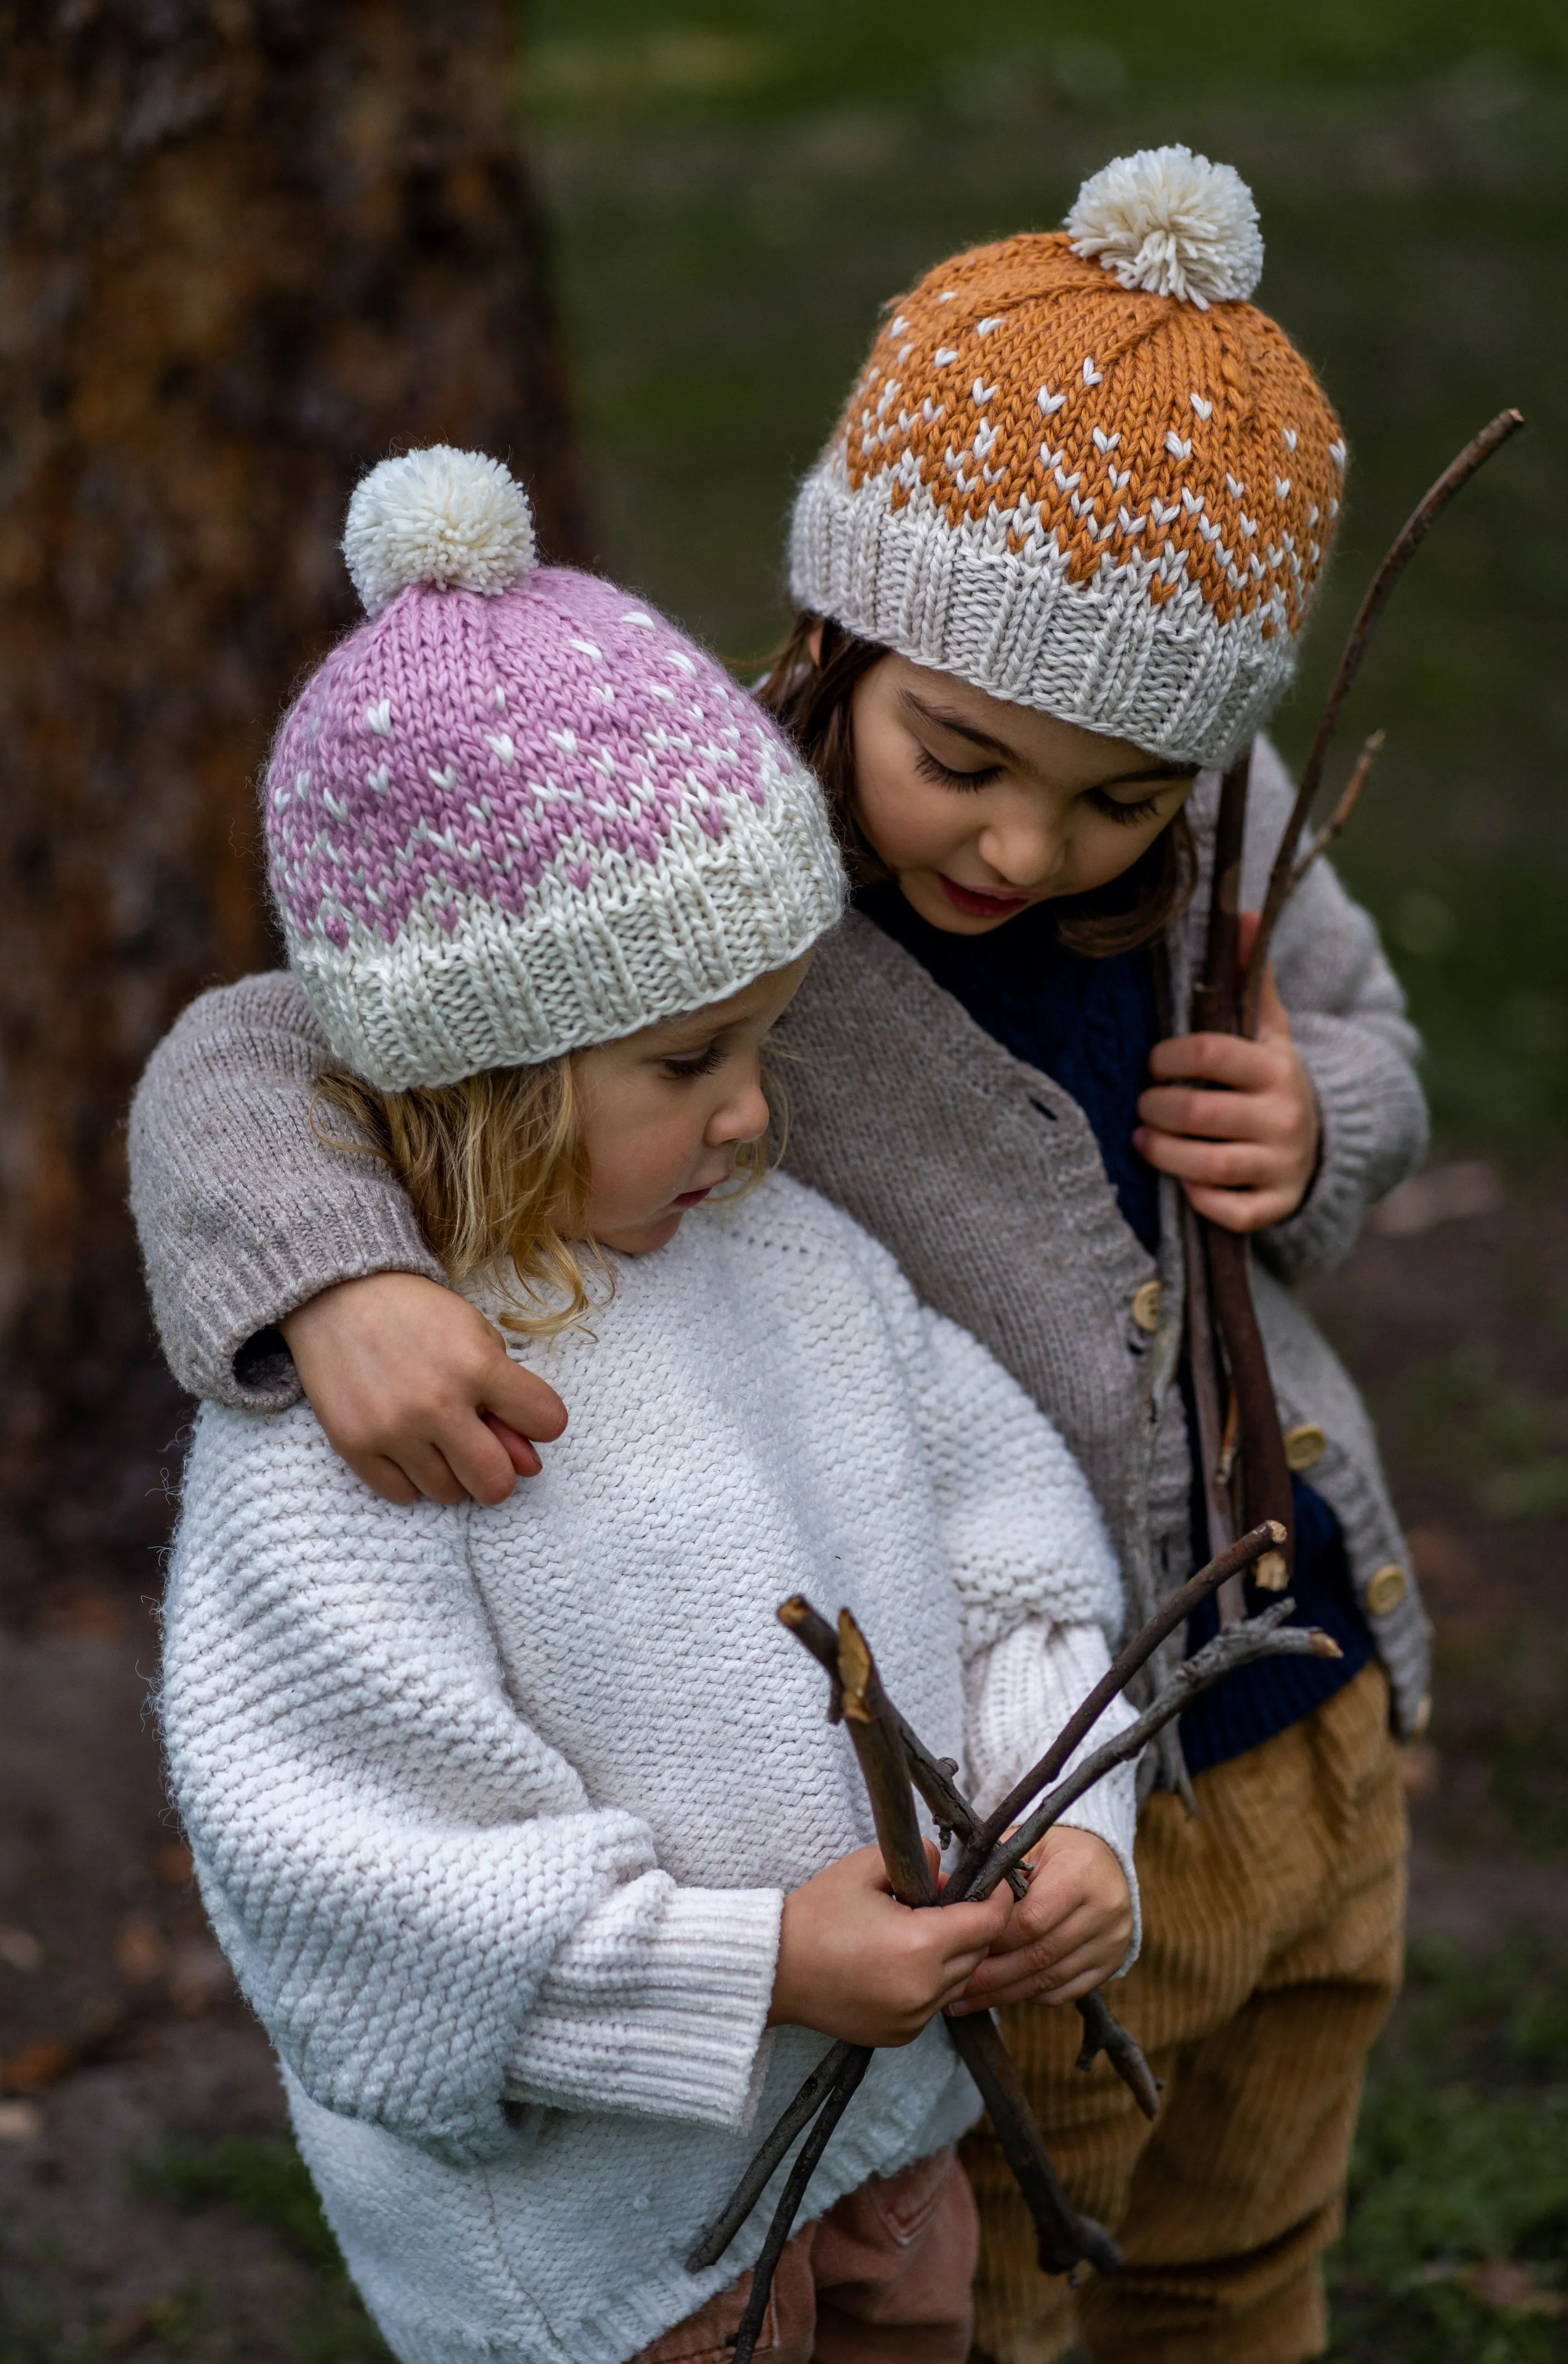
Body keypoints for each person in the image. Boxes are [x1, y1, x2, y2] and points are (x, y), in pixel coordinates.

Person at [132, 148, 1430, 2362]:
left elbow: (1374, 1029)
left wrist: (1331, 1123)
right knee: (1021, 2274)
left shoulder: (1208, 808)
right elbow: (262, 1049)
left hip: (1301, 1669)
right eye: (966, 757)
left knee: (1243, 2254)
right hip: (1037, 1790)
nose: (1037, 841)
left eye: (1122, 792)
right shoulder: (694, 854)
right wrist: (330, 1272)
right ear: (845, 628)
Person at [150, 445, 1142, 2364]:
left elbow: (1017, 1566)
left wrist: (1067, 1820)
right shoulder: (363, 1422)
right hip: (618, 2248)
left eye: (767, 1038)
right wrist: (761, 1966)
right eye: (694, 1058)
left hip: (888, 2130)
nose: (757, 1108)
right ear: (483, 1068)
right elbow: (348, 1885)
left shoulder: (799, 1265)